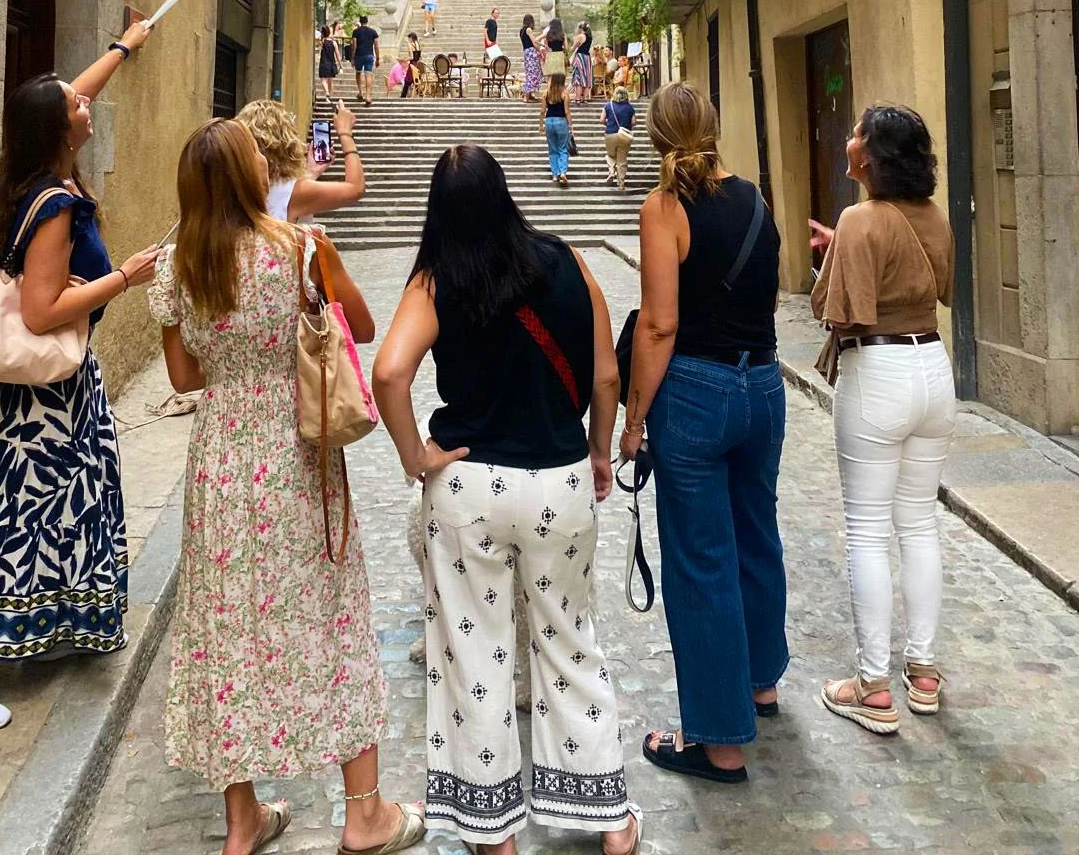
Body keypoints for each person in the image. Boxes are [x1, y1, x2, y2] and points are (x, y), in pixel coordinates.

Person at [148, 119, 424, 855]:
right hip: (295, 454)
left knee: (223, 628)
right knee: (329, 613)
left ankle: (243, 824)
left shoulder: (178, 265)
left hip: (219, 463)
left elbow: (182, 377)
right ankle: (363, 814)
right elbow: (360, 327)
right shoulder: (300, 249)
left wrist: (236, 365)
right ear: (249, 176)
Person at [372, 144, 641, 855]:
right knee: (571, 643)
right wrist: (599, 448)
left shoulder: (437, 280)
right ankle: (611, 821)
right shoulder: (566, 261)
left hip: (469, 489)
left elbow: (390, 371)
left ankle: (494, 835)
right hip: (559, 479)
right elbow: (608, 375)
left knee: (475, 656)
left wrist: (415, 457)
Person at [0, 28, 162, 734]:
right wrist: (122, 278)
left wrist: (123, 46)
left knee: (60, 510)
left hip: (61, 392)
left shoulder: (46, 175)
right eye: (75, 104)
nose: (87, 103)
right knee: (6, 520)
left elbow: (74, 91)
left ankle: (44, 626)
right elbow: (42, 311)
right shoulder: (53, 206)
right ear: (59, 129)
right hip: (41, 402)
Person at [620, 81, 787, 785]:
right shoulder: (757, 199)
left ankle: (717, 743)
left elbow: (659, 324)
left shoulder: (663, 208)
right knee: (756, 533)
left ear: (656, 136)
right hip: (765, 388)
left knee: (700, 559)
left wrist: (632, 421)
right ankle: (760, 682)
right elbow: (768, 294)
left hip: (696, 389)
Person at [811, 104, 956, 735]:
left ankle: (872, 685)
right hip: (933, 368)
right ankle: (922, 671)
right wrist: (841, 252)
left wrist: (837, 255)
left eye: (855, 134)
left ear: (867, 156)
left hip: (878, 374)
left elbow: (844, 313)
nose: (848, 140)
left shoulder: (859, 219)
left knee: (867, 529)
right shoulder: (936, 219)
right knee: (919, 523)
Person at [238, 99, 364, 224]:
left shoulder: (238, 186)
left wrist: (311, 172)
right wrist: (345, 133)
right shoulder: (293, 193)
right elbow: (355, 189)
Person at [539, 72, 573, 186]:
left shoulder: (546, 93)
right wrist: (570, 125)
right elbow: (567, 111)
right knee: (562, 148)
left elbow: (542, 111)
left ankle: (555, 174)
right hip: (561, 120)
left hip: (549, 121)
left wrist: (540, 125)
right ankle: (563, 172)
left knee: (552, 149)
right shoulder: (564, 94)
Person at [603, 84, 635, 190]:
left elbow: (601, 119)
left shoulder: (608, 105)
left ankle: (611, 171)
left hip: (611, 134)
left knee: (610, 155)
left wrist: (609, 124)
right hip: (624, 136)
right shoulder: (630, 107)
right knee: (622, 159)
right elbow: (634, 122)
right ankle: (621, 184)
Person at [351, 14, 381, 106]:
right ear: (367, 21)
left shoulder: (356, 32)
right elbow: (376, 46)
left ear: (360, 21)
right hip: (369, 55)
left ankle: (360, 92)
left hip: (359, 55)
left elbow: (354, 45)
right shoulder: (373, 32)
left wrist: (352, 58)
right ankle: (368, 96)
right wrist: (378, 58)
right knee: (368, 75)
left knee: (358, 73)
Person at [519, 13, 543, 103]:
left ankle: (530, 94)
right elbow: (534, 42)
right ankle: (527, 96)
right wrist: (540, 49)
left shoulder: (521, 30)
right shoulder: (529, 29)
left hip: (526, 52)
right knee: (532, 73)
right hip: (531, 52)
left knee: (530, 72)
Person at [571, 22, 594, 104]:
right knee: (586, 77)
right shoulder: (590, 37)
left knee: (578, 77)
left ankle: (577, 98)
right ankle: (585, 98)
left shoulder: (580, 36)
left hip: (580, 57)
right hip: (587, 58)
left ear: (580, 28)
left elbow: (573, 48)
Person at [319, 23, 342, 101]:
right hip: (331, 63)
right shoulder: (333, 43)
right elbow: (338, 55)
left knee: (323, 79)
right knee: (330, 80)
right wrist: (340, 65)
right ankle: (330, 95)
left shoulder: (322, 41)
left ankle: (327, 93)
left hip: (323, 62)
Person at [402, 31, 424, 99]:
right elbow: (419, 56)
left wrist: (404, 59)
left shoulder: (410, 45)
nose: (408, 40)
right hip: (418, 64)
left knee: (407, 80)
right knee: (416, 80)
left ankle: (403, 96)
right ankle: (419, 95)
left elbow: (411, 57)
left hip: (412, 64)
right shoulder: (418, 44)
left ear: (411, 38)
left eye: (409, 38)